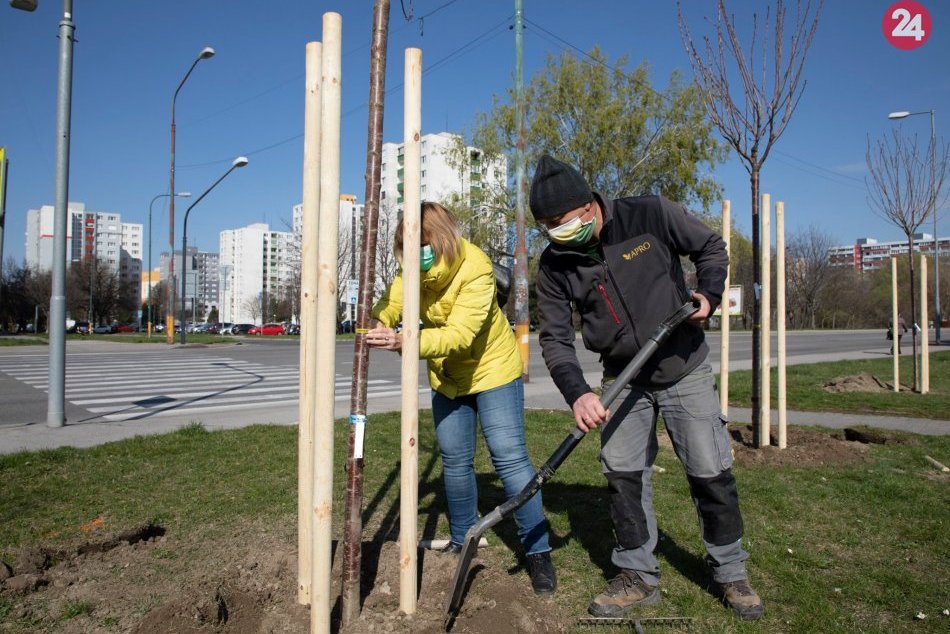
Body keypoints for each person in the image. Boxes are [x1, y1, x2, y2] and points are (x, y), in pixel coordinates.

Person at [528, 154, 763, 620]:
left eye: (561, 221)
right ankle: (637, 574)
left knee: (709, 470)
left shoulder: (649, 213)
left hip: (683, 364)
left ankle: (731, 572)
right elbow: (554, 338)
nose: (556, 232)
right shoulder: (555, 264)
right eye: (546, 226)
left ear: (589, 207)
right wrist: (578, 393)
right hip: (623, 377)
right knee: (623, 475)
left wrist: (708, 295)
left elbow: (712, 247)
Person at [366, 201, 556, 594]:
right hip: (448, 377)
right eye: (407, 245)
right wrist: (377, 320)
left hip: (493, 370)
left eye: (421, 244)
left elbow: (459, 336)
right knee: (454, 461)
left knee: (509, 457)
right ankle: (461, 538)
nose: (414, 254)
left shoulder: (476, 267)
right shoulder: (412, 273)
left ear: (441, 238)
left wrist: (404, 340)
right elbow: (391, 304)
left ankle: (538, 551)